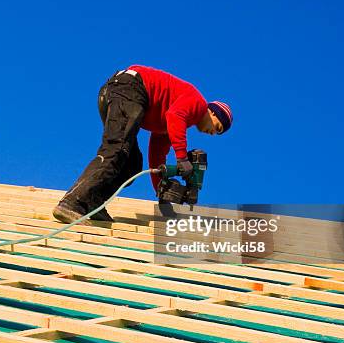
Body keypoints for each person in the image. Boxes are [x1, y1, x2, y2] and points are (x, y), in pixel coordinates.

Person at [53, 65, 233, 225]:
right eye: (216, 127)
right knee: (116, 149)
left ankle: (94, 201)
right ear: (212, 112)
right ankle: (72, 202)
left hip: (121, 91)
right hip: (129, 88)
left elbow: (156, 156)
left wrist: (160, 193)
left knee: (131, 165)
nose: (212, 133)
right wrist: (182, 158)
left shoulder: (173, 119)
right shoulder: (198, 104)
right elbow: (175, 116)